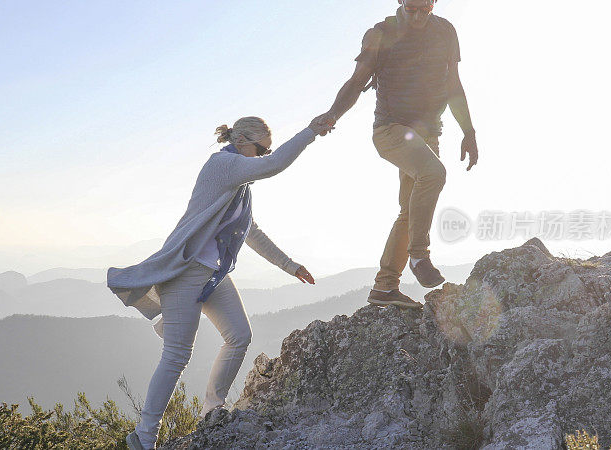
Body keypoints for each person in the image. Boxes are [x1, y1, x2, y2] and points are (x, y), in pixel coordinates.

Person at [108, 115, 334, 450]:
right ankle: (143, 437)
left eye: (264, 150)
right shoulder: (224, 165)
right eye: (260, 149)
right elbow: (275, 165)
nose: (261, 156)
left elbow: (251, 233)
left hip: (212, 275)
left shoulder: (240, 186)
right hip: (186, 272)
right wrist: (311, 131)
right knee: (176, 355)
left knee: (239, 336)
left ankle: (213, 409)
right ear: (242, 140)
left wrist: (290, 265)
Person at [316, 0, 479, 308]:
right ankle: (419, 255)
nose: (417, 15)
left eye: (424, 9)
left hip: (429, 133)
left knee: (411, 211)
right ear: (401, 2)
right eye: (412, 8)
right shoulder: (380, 33)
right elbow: (356, 81)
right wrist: (332, 114)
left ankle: (385, 287)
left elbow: (454, 83)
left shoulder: (445, 31)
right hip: (392, 130)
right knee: (434, 173)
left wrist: (468, 132)